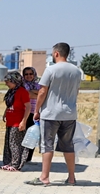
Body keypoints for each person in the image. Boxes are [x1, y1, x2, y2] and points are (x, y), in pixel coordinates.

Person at [34, 43, 83, 186]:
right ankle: (72, 178)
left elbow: (42, 92)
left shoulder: (51, 70)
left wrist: (36, 110)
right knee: (68, 145)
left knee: (47, 145)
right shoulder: (76, 71)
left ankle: (44, 177)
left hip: (50, 113)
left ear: (56, 53)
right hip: (69, 114)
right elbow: (76, 91)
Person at [0, 70, 34, 171]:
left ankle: (15, 164)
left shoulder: (22, 92)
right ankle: (8, 162)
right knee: (8, 143)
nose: (6, 83)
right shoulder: (11, 92)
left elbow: (28, 107)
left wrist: (23, 121)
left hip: (17, 122)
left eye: (8, 81)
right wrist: (5, 112)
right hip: (10, 120)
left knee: (15, 143)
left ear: (15, 81)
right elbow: (10, 104)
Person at [21, 66, 40, 165]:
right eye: (26, 74)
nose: (29, 76)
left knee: (33, 136)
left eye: (31, 74)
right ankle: (21, 156)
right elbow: (28, 95)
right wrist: (36, 93)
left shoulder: (38, 85)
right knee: (23, 135)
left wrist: (34, 92)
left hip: (35, 113)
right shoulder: (22, 85)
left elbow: (44, 94)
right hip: (24, 113)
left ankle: (28, 158)